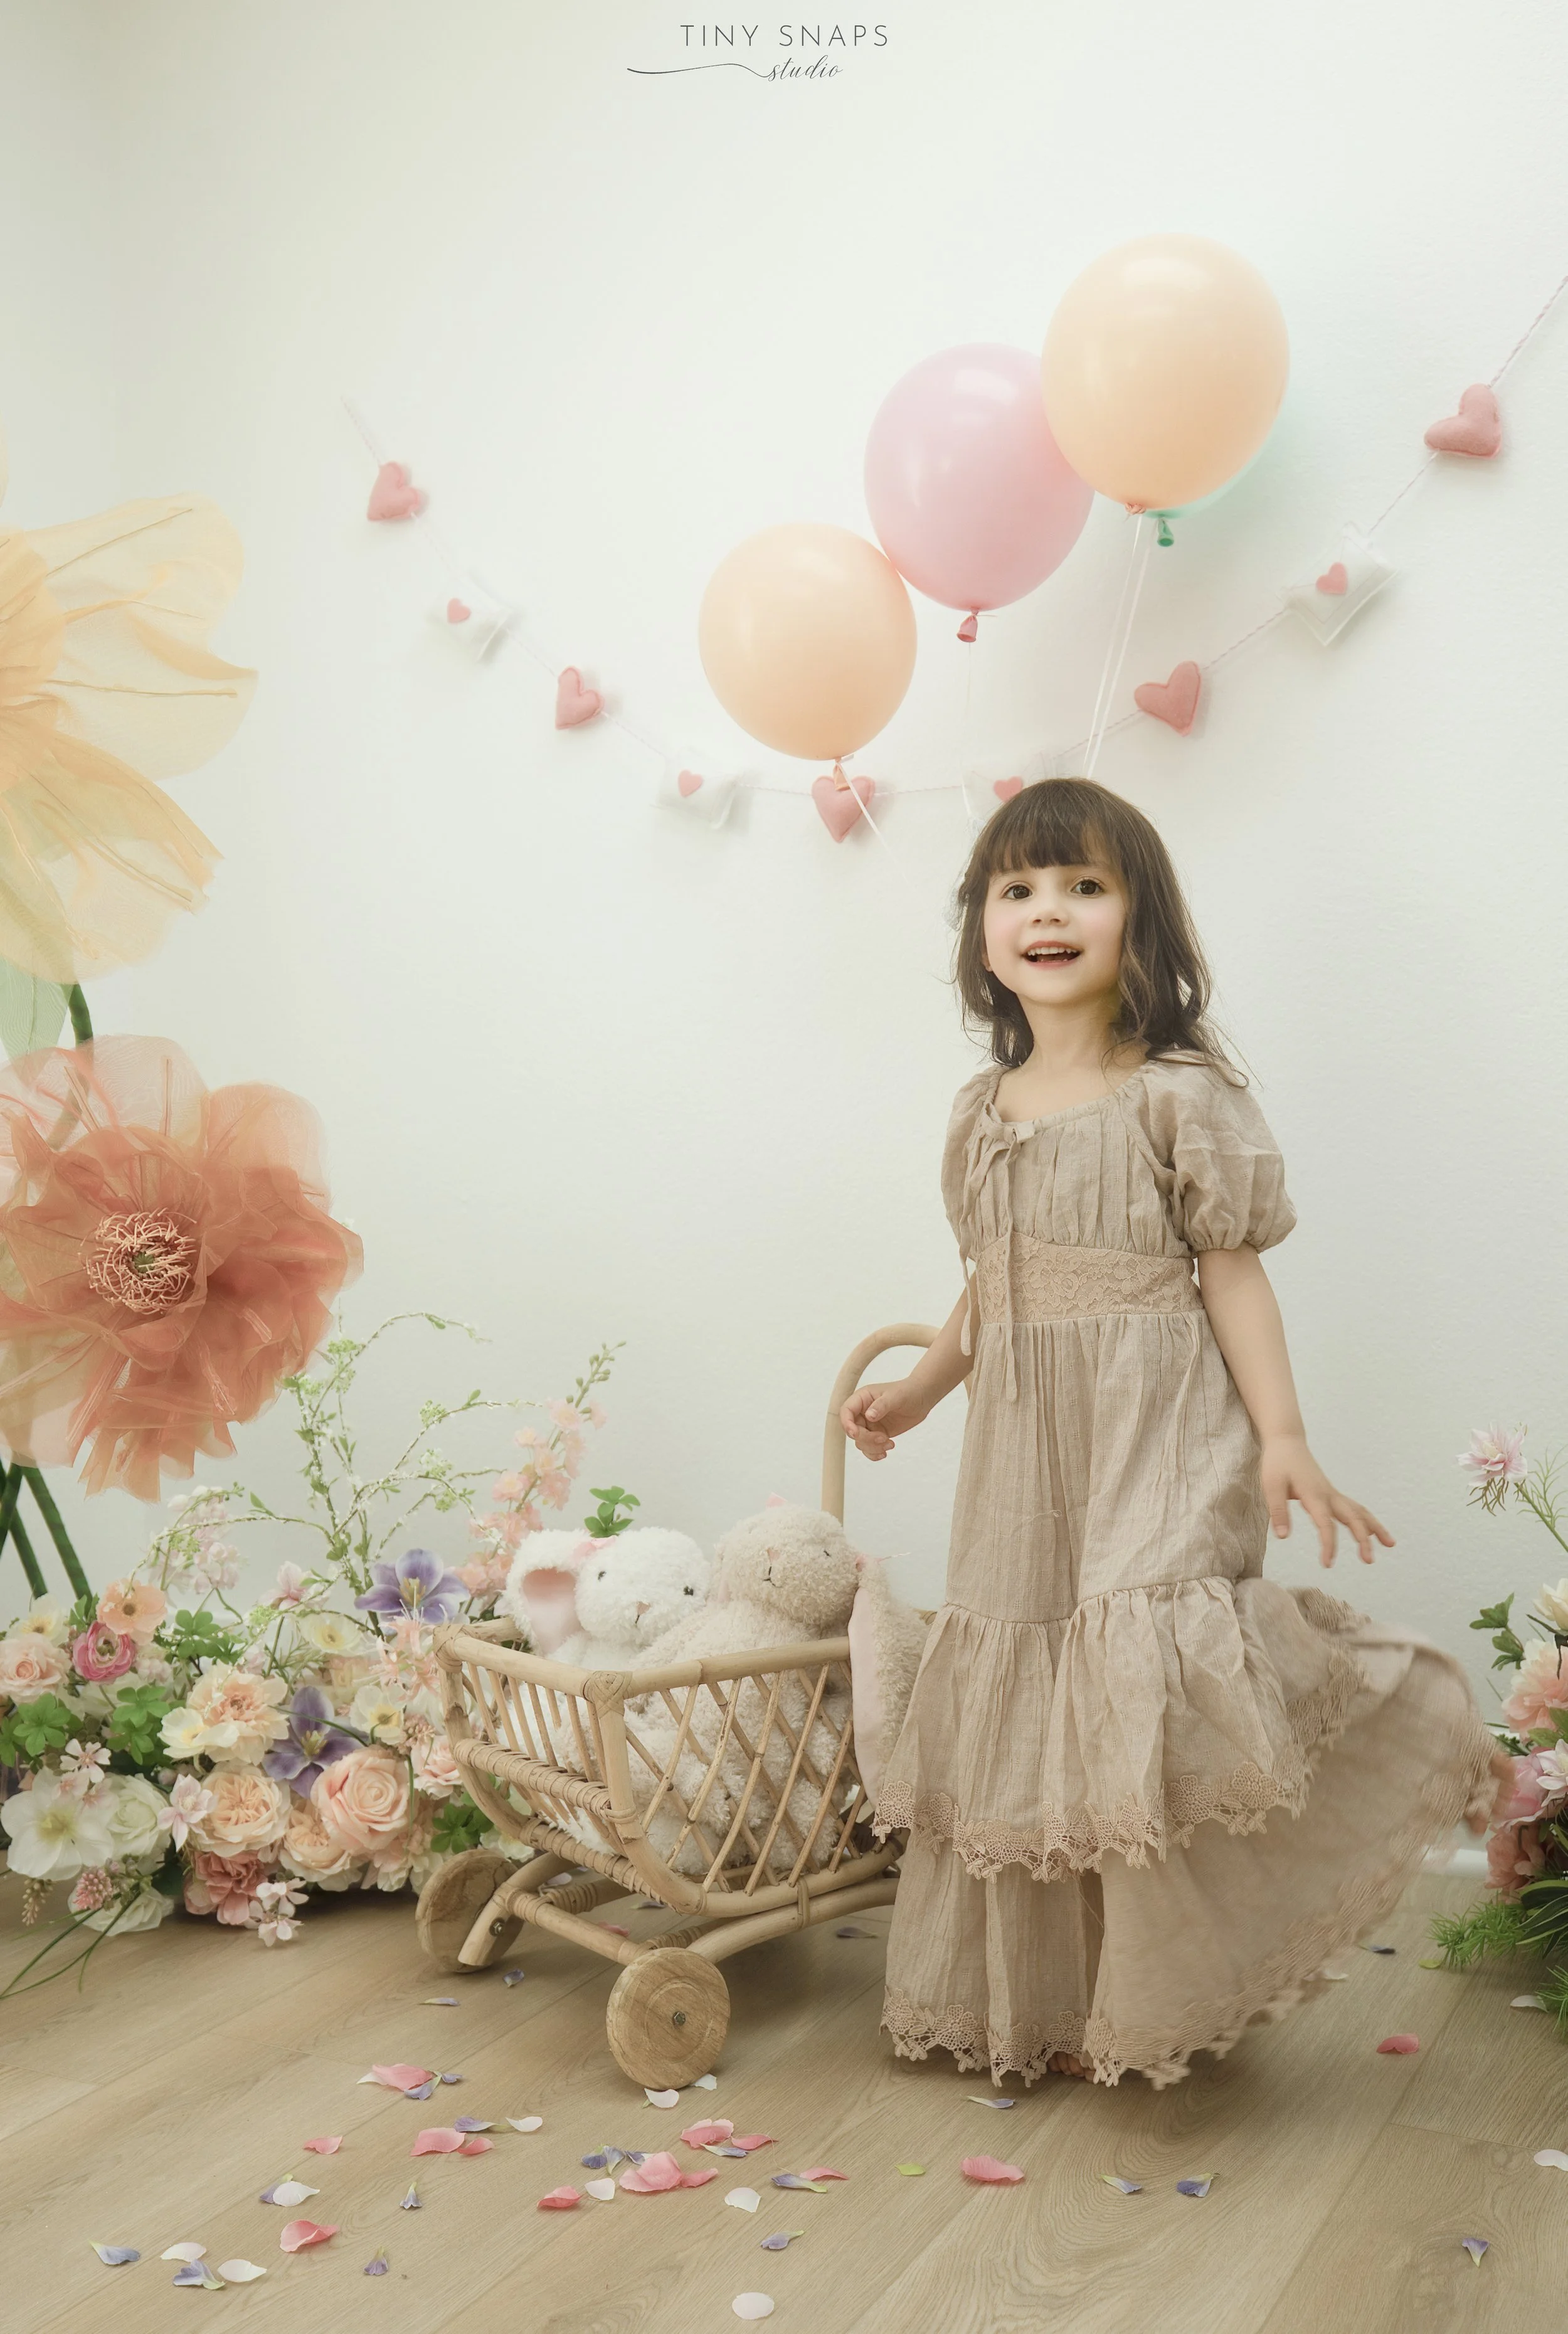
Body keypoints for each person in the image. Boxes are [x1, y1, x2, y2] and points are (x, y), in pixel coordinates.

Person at [839, 777, 1511, 2090]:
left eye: (1083, 886)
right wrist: (924, 1387)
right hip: (1025, 1458)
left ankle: (1165, 1986)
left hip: (1157, 1425)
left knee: (1142, 1675)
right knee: (1038, 1703)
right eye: (1015, 889)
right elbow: (995, 1277)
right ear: (978, 930)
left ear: (1137, 923)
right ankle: (1058, 2005)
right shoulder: (978, 1118)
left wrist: (1282, 1435)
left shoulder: (1174, 1097)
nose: (1047, 912)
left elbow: (1228, 1271)